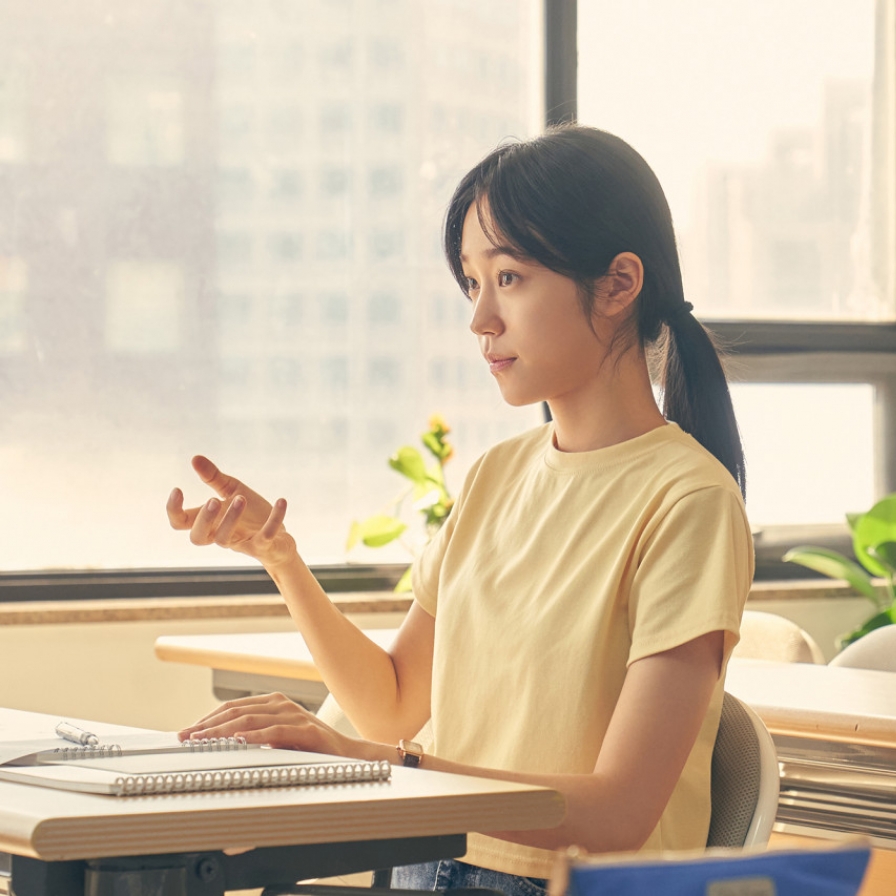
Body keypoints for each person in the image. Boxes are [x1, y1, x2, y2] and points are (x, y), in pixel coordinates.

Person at [167, 125, 753, 894]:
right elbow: (392, 708)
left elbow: (618, 814)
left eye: (508, 278)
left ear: (617, 285)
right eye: (471, 284)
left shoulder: (690, 501)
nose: (480, 319)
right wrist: (283, 560)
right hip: (430, 864)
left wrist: (374, 766)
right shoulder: (492, 477)